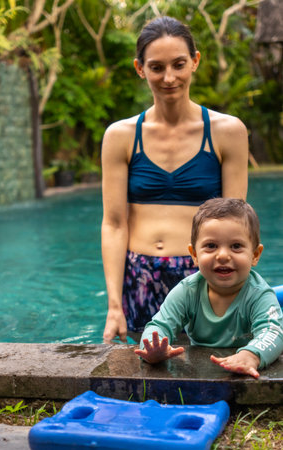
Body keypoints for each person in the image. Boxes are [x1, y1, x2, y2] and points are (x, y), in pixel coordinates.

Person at [101, 16, 248, 342]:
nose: (169, 77)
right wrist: (114, 305)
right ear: (140, 68)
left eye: (179, 64)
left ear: (195, 61)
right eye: (156, 67)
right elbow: (113, 224)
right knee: (144, 378)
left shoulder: (227, 132)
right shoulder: (121, 136)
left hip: (203, 278)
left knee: (207, 376)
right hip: (139, 277)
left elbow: (237, 223)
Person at [135, 198, 283, 378]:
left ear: (255, 255)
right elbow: (159, 325)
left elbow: (274, 332)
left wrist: (251, 355)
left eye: (236, 246)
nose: (222, 255)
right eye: (211, 246)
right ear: (195, 255)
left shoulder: (259, 295)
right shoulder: (187, 291)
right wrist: (152, 347)